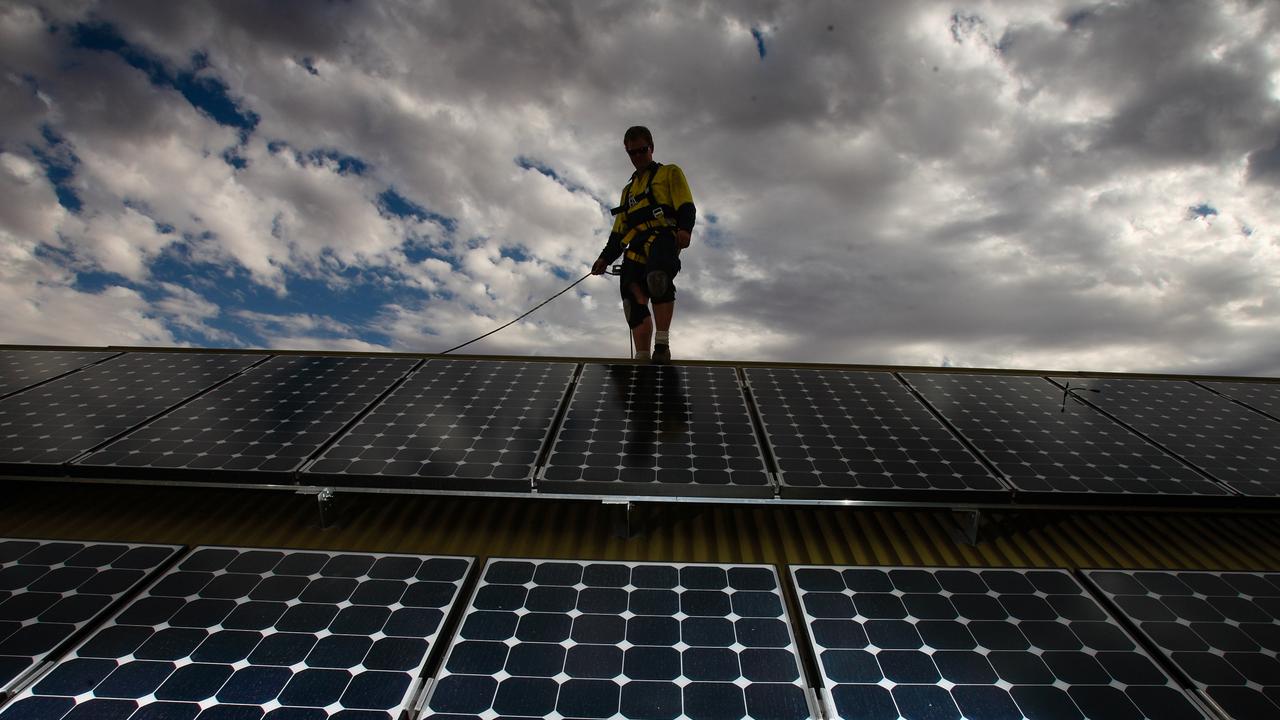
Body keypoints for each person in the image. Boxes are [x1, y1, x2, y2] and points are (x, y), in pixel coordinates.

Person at [591, 126, 695, 363]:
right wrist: (604, 258)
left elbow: (686, 204)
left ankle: (662, 345)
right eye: (632, 153)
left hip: (662, 237)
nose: (637, 156)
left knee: (657, 278)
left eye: (642, 150)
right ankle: (641, 359)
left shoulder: (669, 172)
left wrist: (685, 229)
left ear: (651, 148)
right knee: (631, 301)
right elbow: (619, 231)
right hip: (634, 246)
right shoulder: (627, 191)